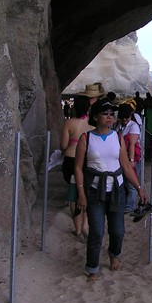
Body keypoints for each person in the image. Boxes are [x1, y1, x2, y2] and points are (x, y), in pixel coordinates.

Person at [74, 98, 148, 281]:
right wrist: (81, 194)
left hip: (117, 189)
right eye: (105, 113)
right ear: (95, 116)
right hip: (94, 191)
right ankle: (92, 268)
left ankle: (114, 254)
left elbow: (126, 165)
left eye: (111, 114)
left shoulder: (117, 137)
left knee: (117, 231)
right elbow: (78, 167)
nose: (109, 117)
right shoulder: (86, 138)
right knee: (97, 231)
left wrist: (139, 188)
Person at [60, 95, 95, 237]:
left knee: (73, 195)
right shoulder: (92, 125)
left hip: (70, 159)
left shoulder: (69, 124)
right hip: (86, 161)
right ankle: (85, 224)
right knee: (86, 193)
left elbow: (63, 145)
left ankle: (78, 229)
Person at [114, 103, 142, 213]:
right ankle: (125, 202)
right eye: (123, 117)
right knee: (123, 181)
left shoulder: (133, 126)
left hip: (132, 157)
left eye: (127, 117)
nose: (125, 119)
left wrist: (131, 160)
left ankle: (130, 205)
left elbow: (132, 144)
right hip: (120, 156)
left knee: (131, 182)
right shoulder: (118, 125)